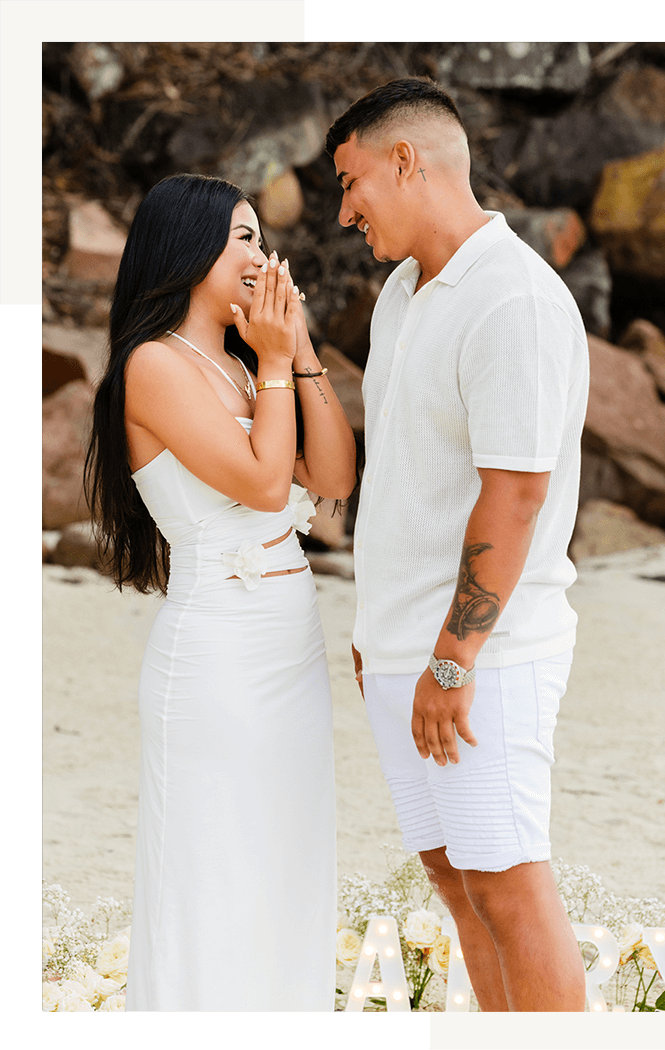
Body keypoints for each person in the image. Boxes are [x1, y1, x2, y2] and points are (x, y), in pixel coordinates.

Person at [326, 77, 590, 1011]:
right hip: (405, 650)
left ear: (407, 161)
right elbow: (407, 478)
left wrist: (450, 658)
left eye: (351, 180)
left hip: (484, 658)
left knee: (510, 885)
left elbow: (514, 494)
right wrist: (380, 636)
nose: (344, 207)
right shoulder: (402, 292)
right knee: (454, 879)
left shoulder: (512, 299)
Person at [84, 172, 356, 1011]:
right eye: (241, 237)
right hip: (216, 653)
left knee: (287, 857)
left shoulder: (245, 371)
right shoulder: (153, 367)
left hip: (288, 640)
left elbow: (334, 477)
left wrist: (297, 350)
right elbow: (267, 485)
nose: (260, 255)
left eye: (256, 238)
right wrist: (274, 359)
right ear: (188, 246)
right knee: (215, 868)